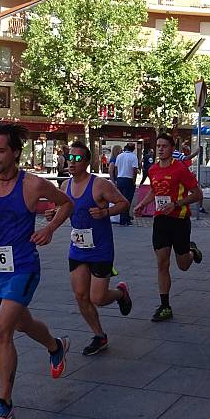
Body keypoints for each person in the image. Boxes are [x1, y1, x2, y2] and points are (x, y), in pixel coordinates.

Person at [0, 121, 74, 419]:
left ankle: (4, 403)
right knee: (23, 323)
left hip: (23, 267)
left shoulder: (33, 185)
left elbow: (67, 204)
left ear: (15, 153)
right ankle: (55, 346)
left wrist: (49, 228)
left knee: (1, 332)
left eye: (0, 151)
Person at [45, 141, 133, 356]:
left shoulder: (99, 185)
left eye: (77, 159)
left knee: (98, 298)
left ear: (86, 162)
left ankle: (120, 294)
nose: (72, 163)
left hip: (101, 249)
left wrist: (105, 213)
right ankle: (99, 335)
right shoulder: (65, 186)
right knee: (80, 295)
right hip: (77, 248)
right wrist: (52, 215)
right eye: (69, 158)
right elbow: (63, 210)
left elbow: (124, 203)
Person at [134, 133, 203, 322]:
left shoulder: (181, 169)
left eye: (165, 146)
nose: (161, 149)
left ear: (173, 149)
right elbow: (155, 190)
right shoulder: (153, 169)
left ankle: (191, 251)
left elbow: (197, 194)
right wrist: (142, 204)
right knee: (162, 263)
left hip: (180, 220)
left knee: (183, 265)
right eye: (158, 146)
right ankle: (165, 306)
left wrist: (177, 203)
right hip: (161, 220)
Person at [115, 143, 139, 226]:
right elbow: (134, 170)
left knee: (121, 199)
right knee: (128, 199)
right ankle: (125, 219)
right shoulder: (133, 157)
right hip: (128, 179)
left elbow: (116, 168)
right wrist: (134, 180)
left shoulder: (119, 156)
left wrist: (117, 178)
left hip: (120, 178)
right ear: (133, 149)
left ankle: (123, 217)